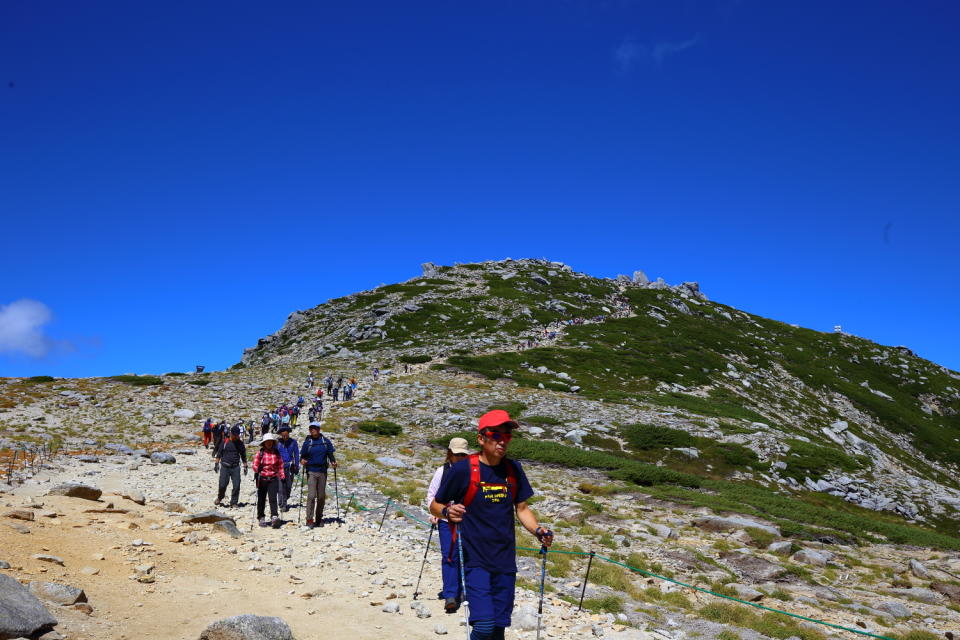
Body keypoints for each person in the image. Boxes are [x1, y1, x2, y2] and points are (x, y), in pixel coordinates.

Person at [431, 410, 554, 640]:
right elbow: (435, 505)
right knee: (484, 626)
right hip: (474, 558)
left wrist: (538, 530)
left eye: (506, 436)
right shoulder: (462, 469)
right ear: (481, 438)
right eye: (496, 435)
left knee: (498, 629)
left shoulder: (513, 469)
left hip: (505, 559)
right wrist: (448, 511)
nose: (502, 441)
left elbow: (522, 509)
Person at [426, 437, 471, 612]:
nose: (460, 457)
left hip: (468, 520)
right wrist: (437, 512)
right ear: (450, 454)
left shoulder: (472, 472)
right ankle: (451, 594)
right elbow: (431, 496)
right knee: (450, 555)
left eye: (463, 455)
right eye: (457, 454)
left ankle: (466, 590)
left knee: (468, 555)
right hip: (446, 520)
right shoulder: (442, 472)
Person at [300, 422, 337, 528]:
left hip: (322, 471)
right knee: (311, 496)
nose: (312, 430)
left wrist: (333, 462)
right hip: (311, 470)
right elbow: (303, 455)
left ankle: (319, 518)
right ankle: (309, 519)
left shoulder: (325, 441)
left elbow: (330, 454)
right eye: (311, 428)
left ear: (319, 429)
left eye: (314, 428)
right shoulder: (308, 442)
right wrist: (302, 460)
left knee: (321, 496)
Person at [252, 433, 286, 528]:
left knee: (273, 498)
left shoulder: (276, 453)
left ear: (272, 442)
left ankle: (274, 516)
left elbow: (280, 465)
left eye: (270, 442)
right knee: (261, 499)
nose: (269, 443)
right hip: (262, 478)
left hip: (273, 478)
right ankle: (261, 517)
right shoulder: (260, 453)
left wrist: (282, 476)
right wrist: (257, 469)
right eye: (267, 442)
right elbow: (254, 465)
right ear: (264, 443)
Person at [214, 426, 248, 508]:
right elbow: (219, 453)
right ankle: (220, 497)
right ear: (230, 433)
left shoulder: (240, 443)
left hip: (235, 467)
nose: (236, 437)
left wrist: (245, 466)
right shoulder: (225, 442)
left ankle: (234, 502)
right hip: (225, 466)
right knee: (222, 485)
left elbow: (243, 455)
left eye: (237, 435)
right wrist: (216, 463)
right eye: (234, 435)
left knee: (236, 485)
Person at [276, 425, 300, 512]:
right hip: (279, 467)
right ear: (281, 435)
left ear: (288, 434)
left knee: (288, 486)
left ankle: (285, 499)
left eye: (286, 435)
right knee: (280, 487)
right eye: (283, 435)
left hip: (290, 467)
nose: (285, 437)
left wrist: (297, 465)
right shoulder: (277, 443)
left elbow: (296, 454)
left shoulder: (293, 442)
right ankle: (282, 504)